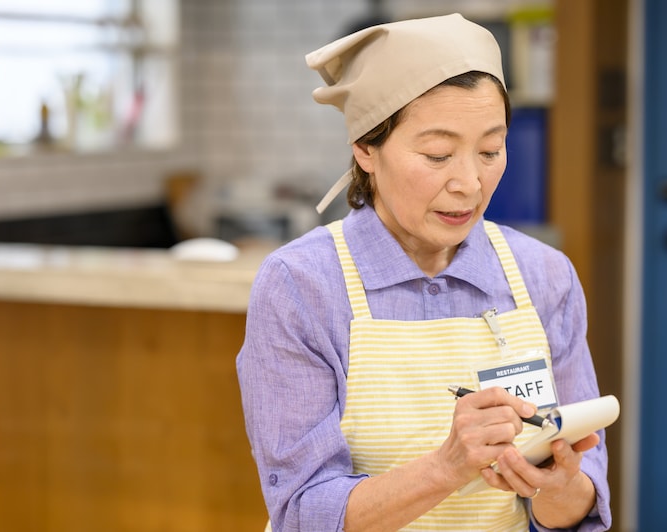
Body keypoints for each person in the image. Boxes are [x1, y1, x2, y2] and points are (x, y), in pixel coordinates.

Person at [236, 13, 611, 532]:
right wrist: (447, 467)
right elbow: (302, 512)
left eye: (490, 151)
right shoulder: (301, 287)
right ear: (366, 148)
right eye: (437, 155)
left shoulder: (545, 277)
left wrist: (559, 487)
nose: (469, 184)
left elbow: (582, 505)